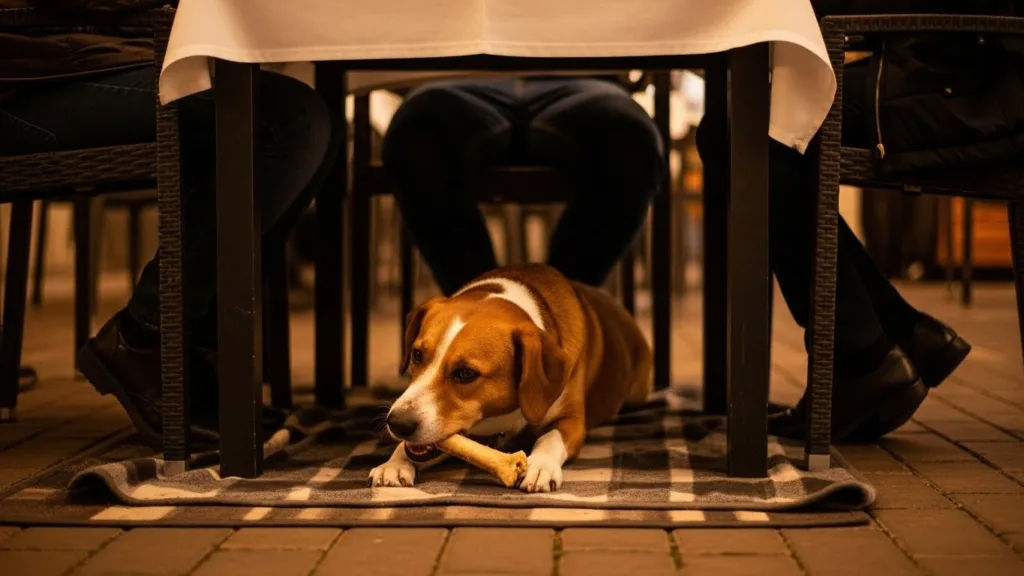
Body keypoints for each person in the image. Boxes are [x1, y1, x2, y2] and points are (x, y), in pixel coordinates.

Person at [0, 0, 339, 446]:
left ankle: (187, 341)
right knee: (288, 120)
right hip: (34, 80)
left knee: (317, 125)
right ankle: (150, 334)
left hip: (114, 57)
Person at [697, 0, 1021, 442]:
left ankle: (863, 356)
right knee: (751, 121)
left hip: (980, 87)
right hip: (958, 68)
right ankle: (891, 335)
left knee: (743, 129)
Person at [383, 75, 665, 296]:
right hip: (454, 76)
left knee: (630, 146)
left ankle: (553, 306)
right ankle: (487, 306)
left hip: (581, 74)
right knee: (417, 141)